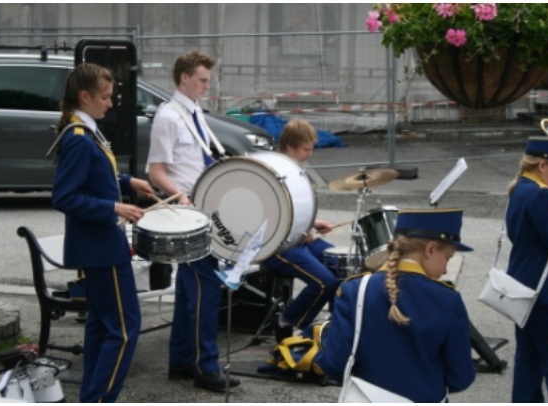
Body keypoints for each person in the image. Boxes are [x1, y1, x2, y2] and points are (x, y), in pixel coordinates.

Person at [51, 63, 155, 402]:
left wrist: (127, 182)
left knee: (100, 328)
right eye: (105, 97)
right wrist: (114, 207)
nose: (110, 104)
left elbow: (94, 177)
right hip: (101, 248)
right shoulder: (79, 138)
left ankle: (91, 398)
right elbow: (65, 197)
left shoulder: (87, 131)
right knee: (124, 329)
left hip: (99, 246)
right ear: (85, 96)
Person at [146, 50, 240, 392]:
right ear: (184, 78)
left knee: (190, 291)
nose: (206, 86)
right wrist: (181, 196)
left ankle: (182, 360)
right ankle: (206, 367)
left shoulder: (193, 111)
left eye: (207, 80)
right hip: (189, 213)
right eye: (202, 80)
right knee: (206, 290)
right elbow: (156, 171)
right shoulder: (169, 116)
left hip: (203, 208)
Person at [314, 208, 476, 402]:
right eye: (447, 259)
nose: (445, 270)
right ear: (431, 249)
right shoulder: (447, 299)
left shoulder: (354, 290)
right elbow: (461, 377)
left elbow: (334, 364)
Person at [505, 136, 548, 403]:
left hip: (523, 285)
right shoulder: (540, 194)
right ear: (542, 165)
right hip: (546, 291)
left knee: (528, 360)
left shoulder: (520, 189)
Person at [261, 119, 339, 343]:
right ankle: (287, 321)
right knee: (324, 282)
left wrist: (313, 223)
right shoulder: (274, 172)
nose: (310, 154)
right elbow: (272, 216)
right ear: (290, 147)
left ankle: (336, 328)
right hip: (277, 246)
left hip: (298, 238)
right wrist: (302, 232)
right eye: (306, 149)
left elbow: (295, 210)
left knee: (342, 265)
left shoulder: (295, 169)